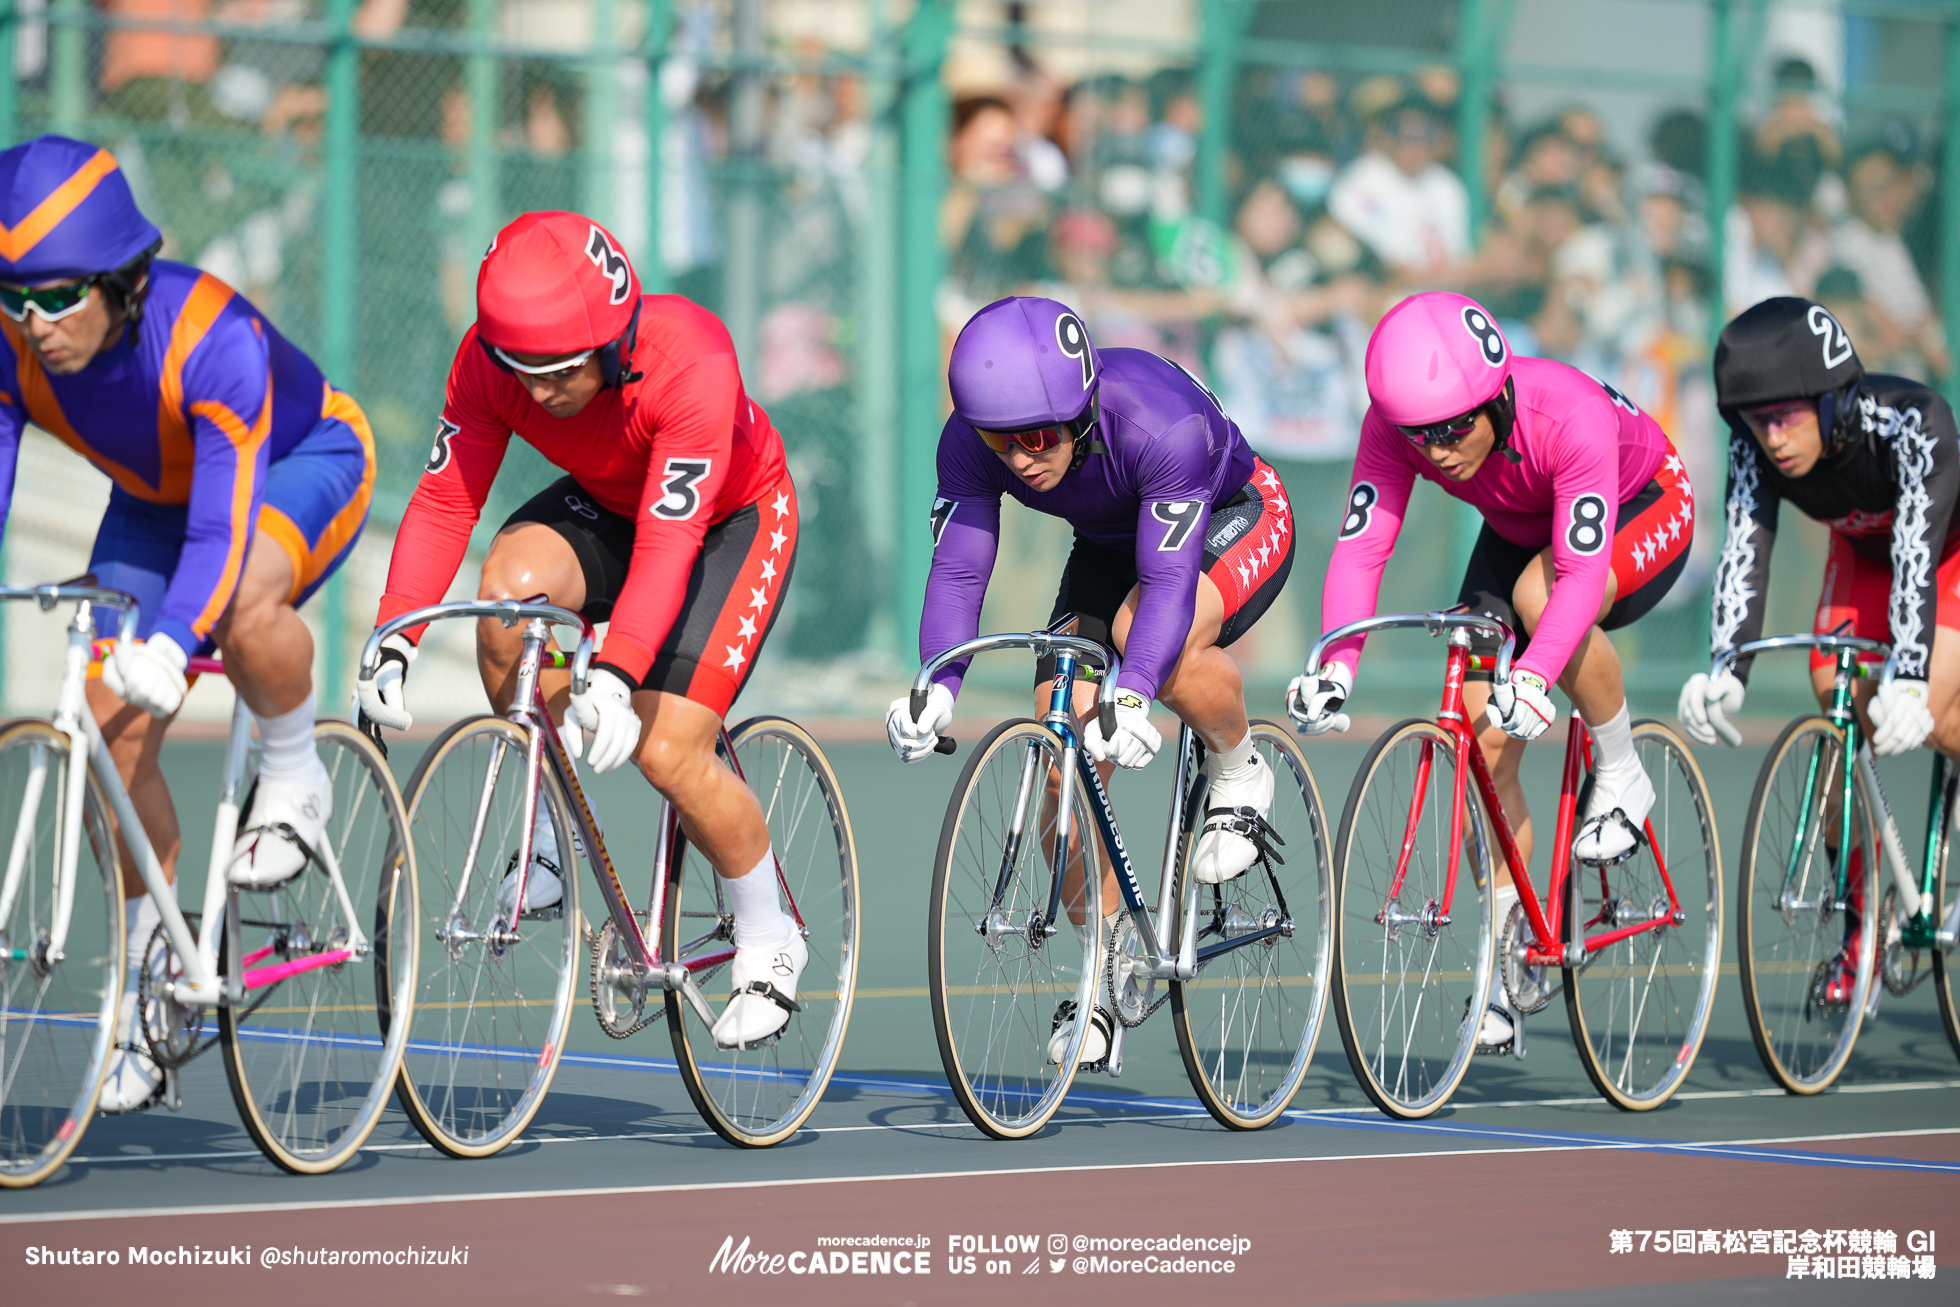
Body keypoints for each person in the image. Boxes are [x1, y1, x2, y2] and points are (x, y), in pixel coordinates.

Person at [354, 211, 802, 1050]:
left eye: (558, 369)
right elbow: (449, 500)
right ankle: (548, 842)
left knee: (667, 748)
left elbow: (672, 545)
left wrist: (617, 672)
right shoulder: (489, 363)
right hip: (616, 503)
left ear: (617, 337)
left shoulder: (690, 362)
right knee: (508, 597)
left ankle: (770, 933)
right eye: (517, 367)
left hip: (727, 524)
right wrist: (394, 637)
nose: (535, 389)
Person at [0, 134, 377, 1111]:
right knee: (108, 741)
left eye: (56, 295)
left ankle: (294, 769)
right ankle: (148, 986)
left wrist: (174, 640)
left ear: (123, 281)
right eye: (12, 296)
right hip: (153, 496)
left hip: (298, 460)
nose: (33, 323)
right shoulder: (12, 348)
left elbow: (221, 522)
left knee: (245, 604)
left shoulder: (209, 333)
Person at [885, 295, 1296, 1069]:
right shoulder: (972, 443)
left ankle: (1240, 765)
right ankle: (1106, 968)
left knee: (1153, 643)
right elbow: (961, 565)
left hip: (1230, 515)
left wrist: (1136, 690)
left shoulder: (1158, 422)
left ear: (1080, 413)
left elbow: (1169, 582)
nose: (1019, 460)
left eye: (1037, 438)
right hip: (1109, 542)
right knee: (1059, 754)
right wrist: (939, 683)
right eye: (1000, 443)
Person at [1296, 291, 1694, 1053]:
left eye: (1452, 429)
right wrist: (1338, 661)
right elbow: (1362, 545)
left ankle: (1622, 768)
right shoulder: (1395, 427)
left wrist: (1539, 675)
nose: (1438, 451)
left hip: (1642, 502)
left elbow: (1578, 577)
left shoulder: (1565, 412)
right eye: (1420, 436)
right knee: (1482, 741)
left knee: (1544, 601)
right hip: (1521, 527)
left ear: (1497, 395)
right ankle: (1515, 955)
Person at [1680, 296, 1960, 1005]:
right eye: (1754, 419)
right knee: (1834, 704)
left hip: (1945, 555)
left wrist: (1909, 671)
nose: (1770, 438)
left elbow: (1918, 554)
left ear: (1832, 400)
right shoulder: (1755, 448)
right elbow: (1745, 545)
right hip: (1863, 552)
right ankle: (1863, 928)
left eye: (1784, 416)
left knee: (1931, 710)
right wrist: (1728, 664)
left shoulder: (1914, 425)